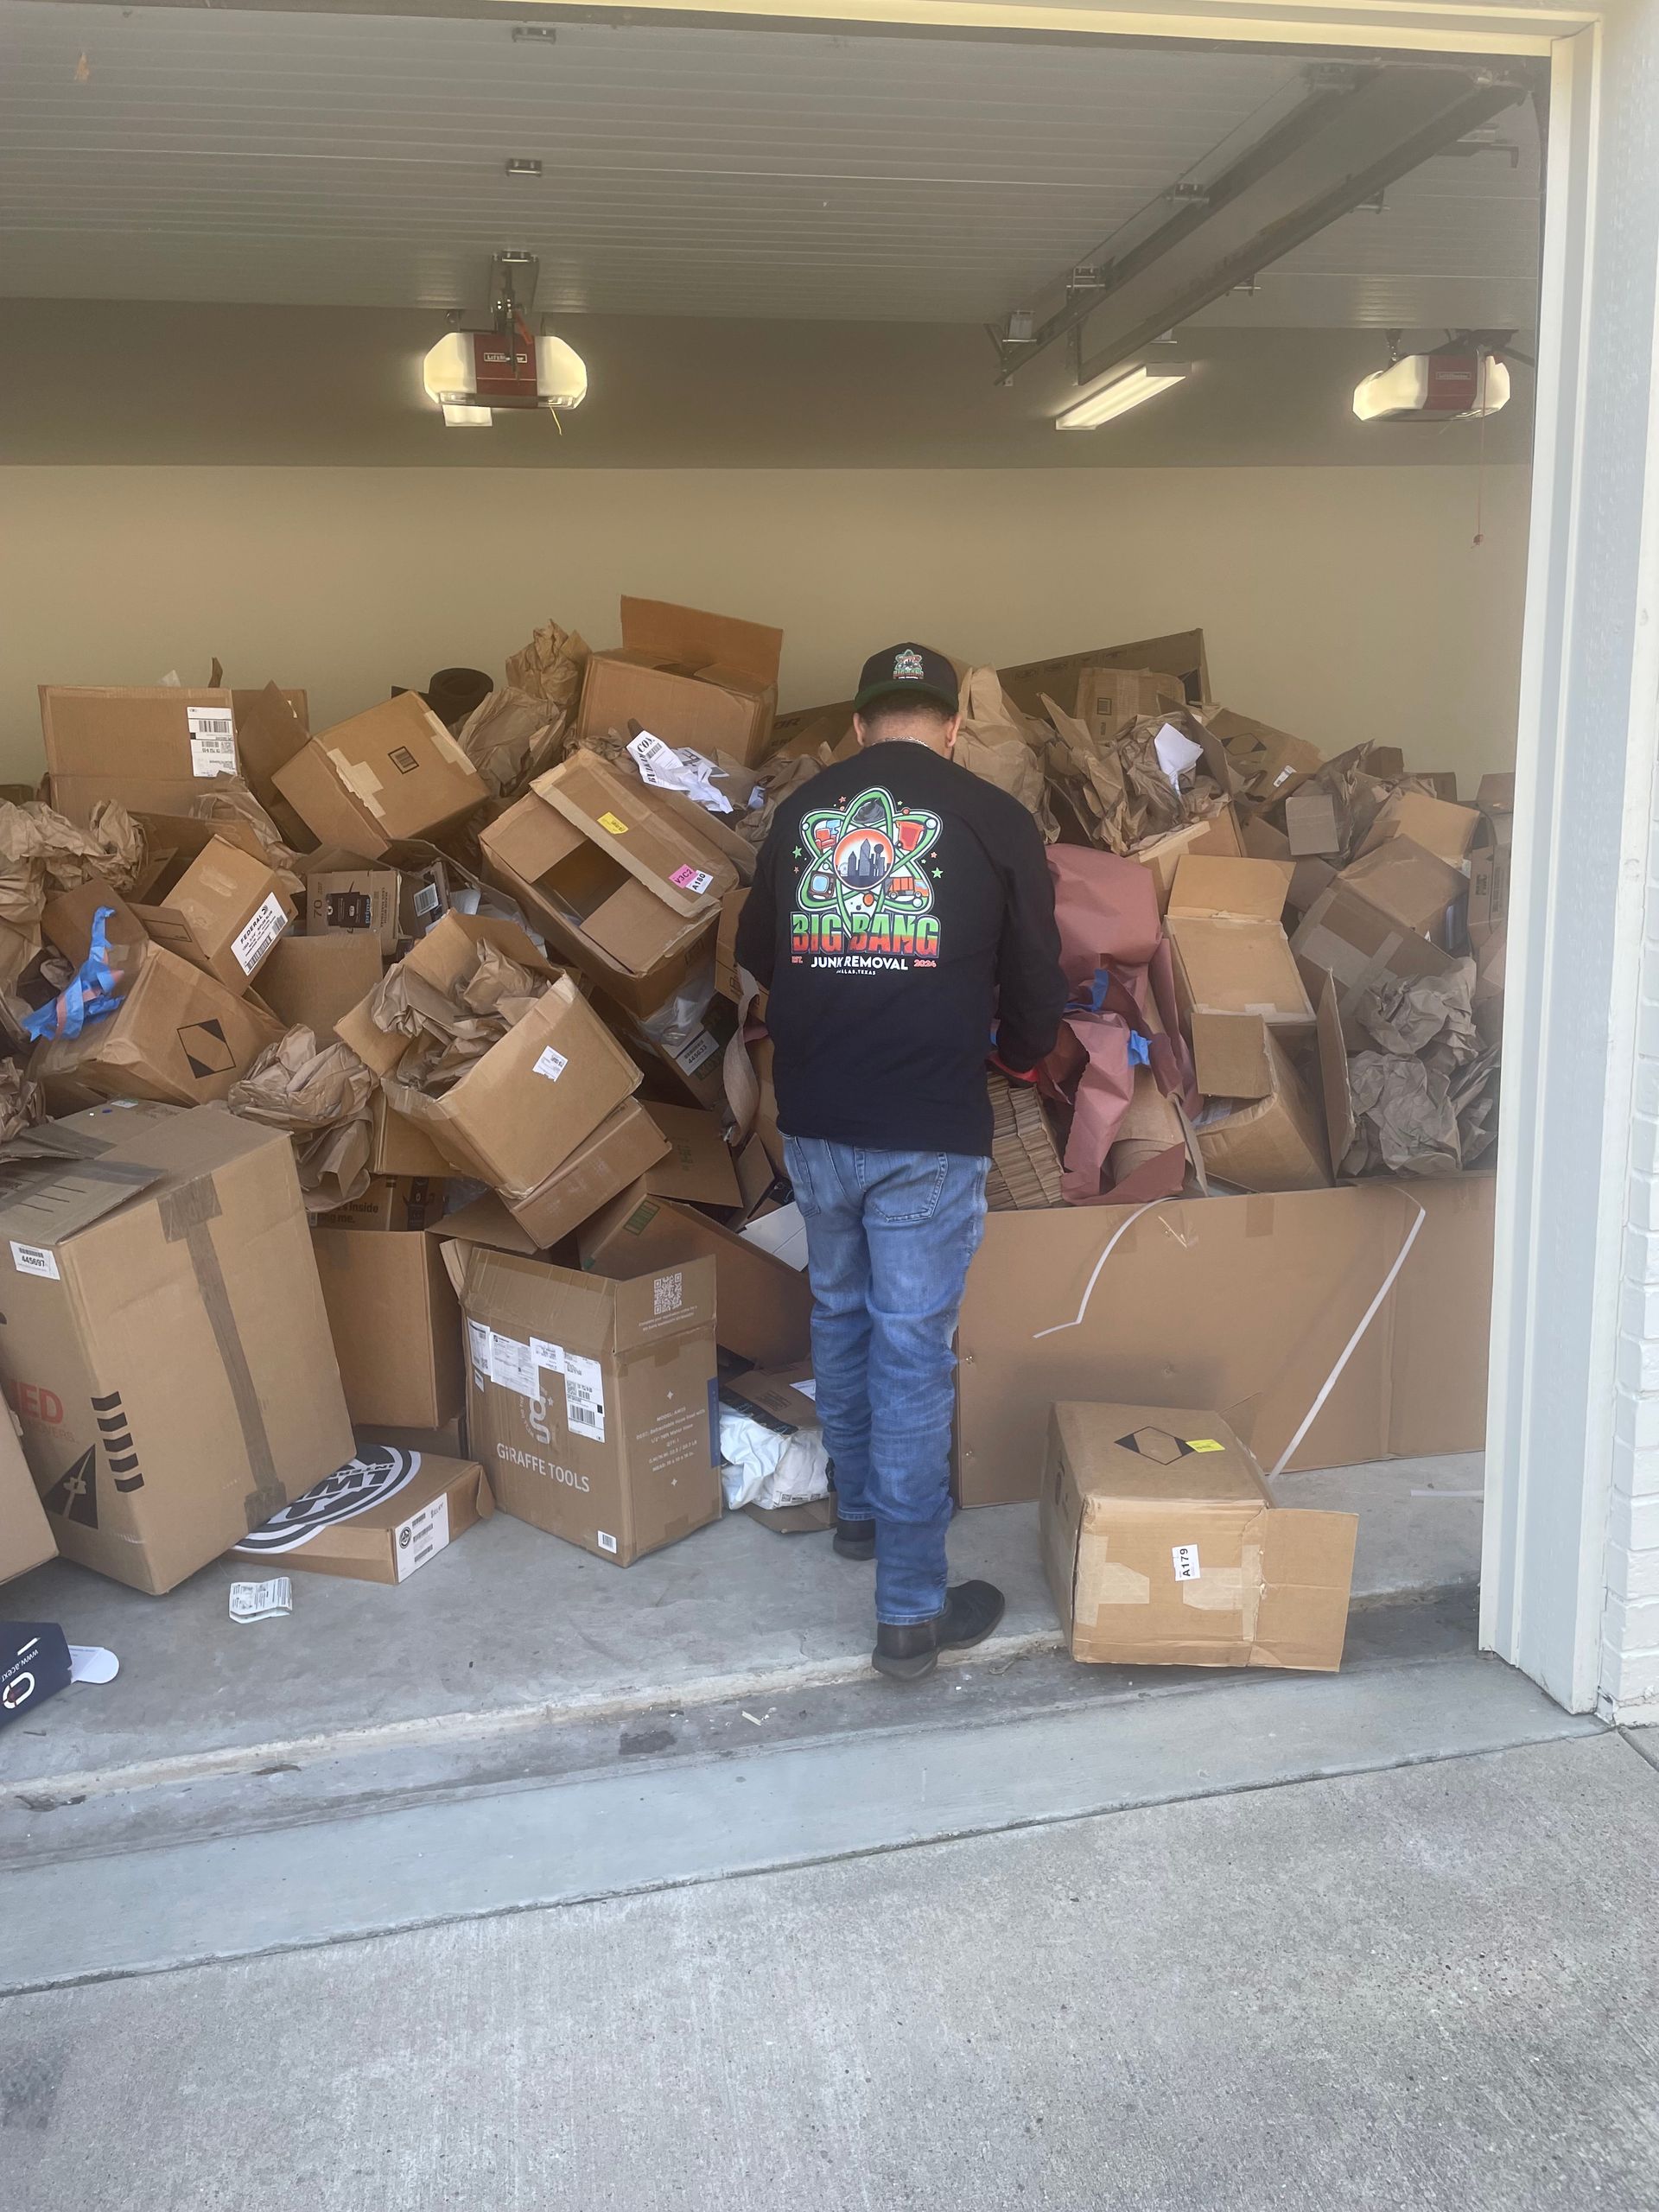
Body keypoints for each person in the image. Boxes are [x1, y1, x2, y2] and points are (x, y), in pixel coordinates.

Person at [735, 643, 1067, 1681]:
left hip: (821, 1118)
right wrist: (1011, 1055)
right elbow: (1039, 998)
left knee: (838, 1312)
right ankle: (912, 1612)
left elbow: (759, 955)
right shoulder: (996, 819)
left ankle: (861, 1516)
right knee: (912, 1351)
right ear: (954, 726)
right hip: (926, 1129)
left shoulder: (804, 814)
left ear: (856, 726)